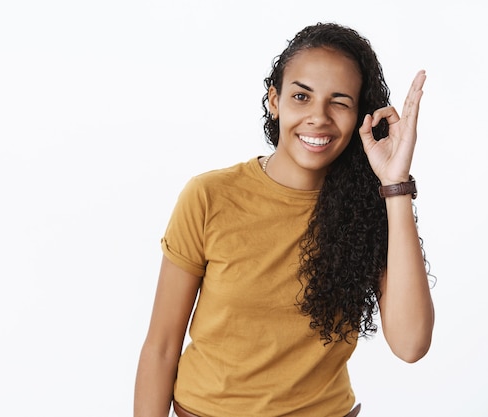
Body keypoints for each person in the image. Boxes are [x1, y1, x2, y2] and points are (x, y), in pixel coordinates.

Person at [134, 22, 435, 417]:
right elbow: (160, 347)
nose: (318, 117)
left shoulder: (369, 210)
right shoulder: (209, 197)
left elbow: (411, 344)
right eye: (301, 96)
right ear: (274, 101)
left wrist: (395, 184)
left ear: (361, 116)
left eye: (339, 102)